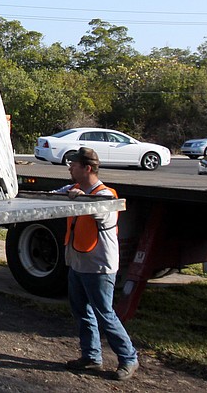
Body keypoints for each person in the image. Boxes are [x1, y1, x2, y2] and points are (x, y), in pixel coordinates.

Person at [56, 147, 139, 381]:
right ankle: (91, 357)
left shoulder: (105, 196)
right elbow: (53, 195)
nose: (70, 168)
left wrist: (78, 197)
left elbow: (97, 207)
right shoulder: (75, 189)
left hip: (99, 267)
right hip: (78, 263)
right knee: (82, 312)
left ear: (87, 168)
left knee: (105, 314)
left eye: (74, 165)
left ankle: (129, 358)